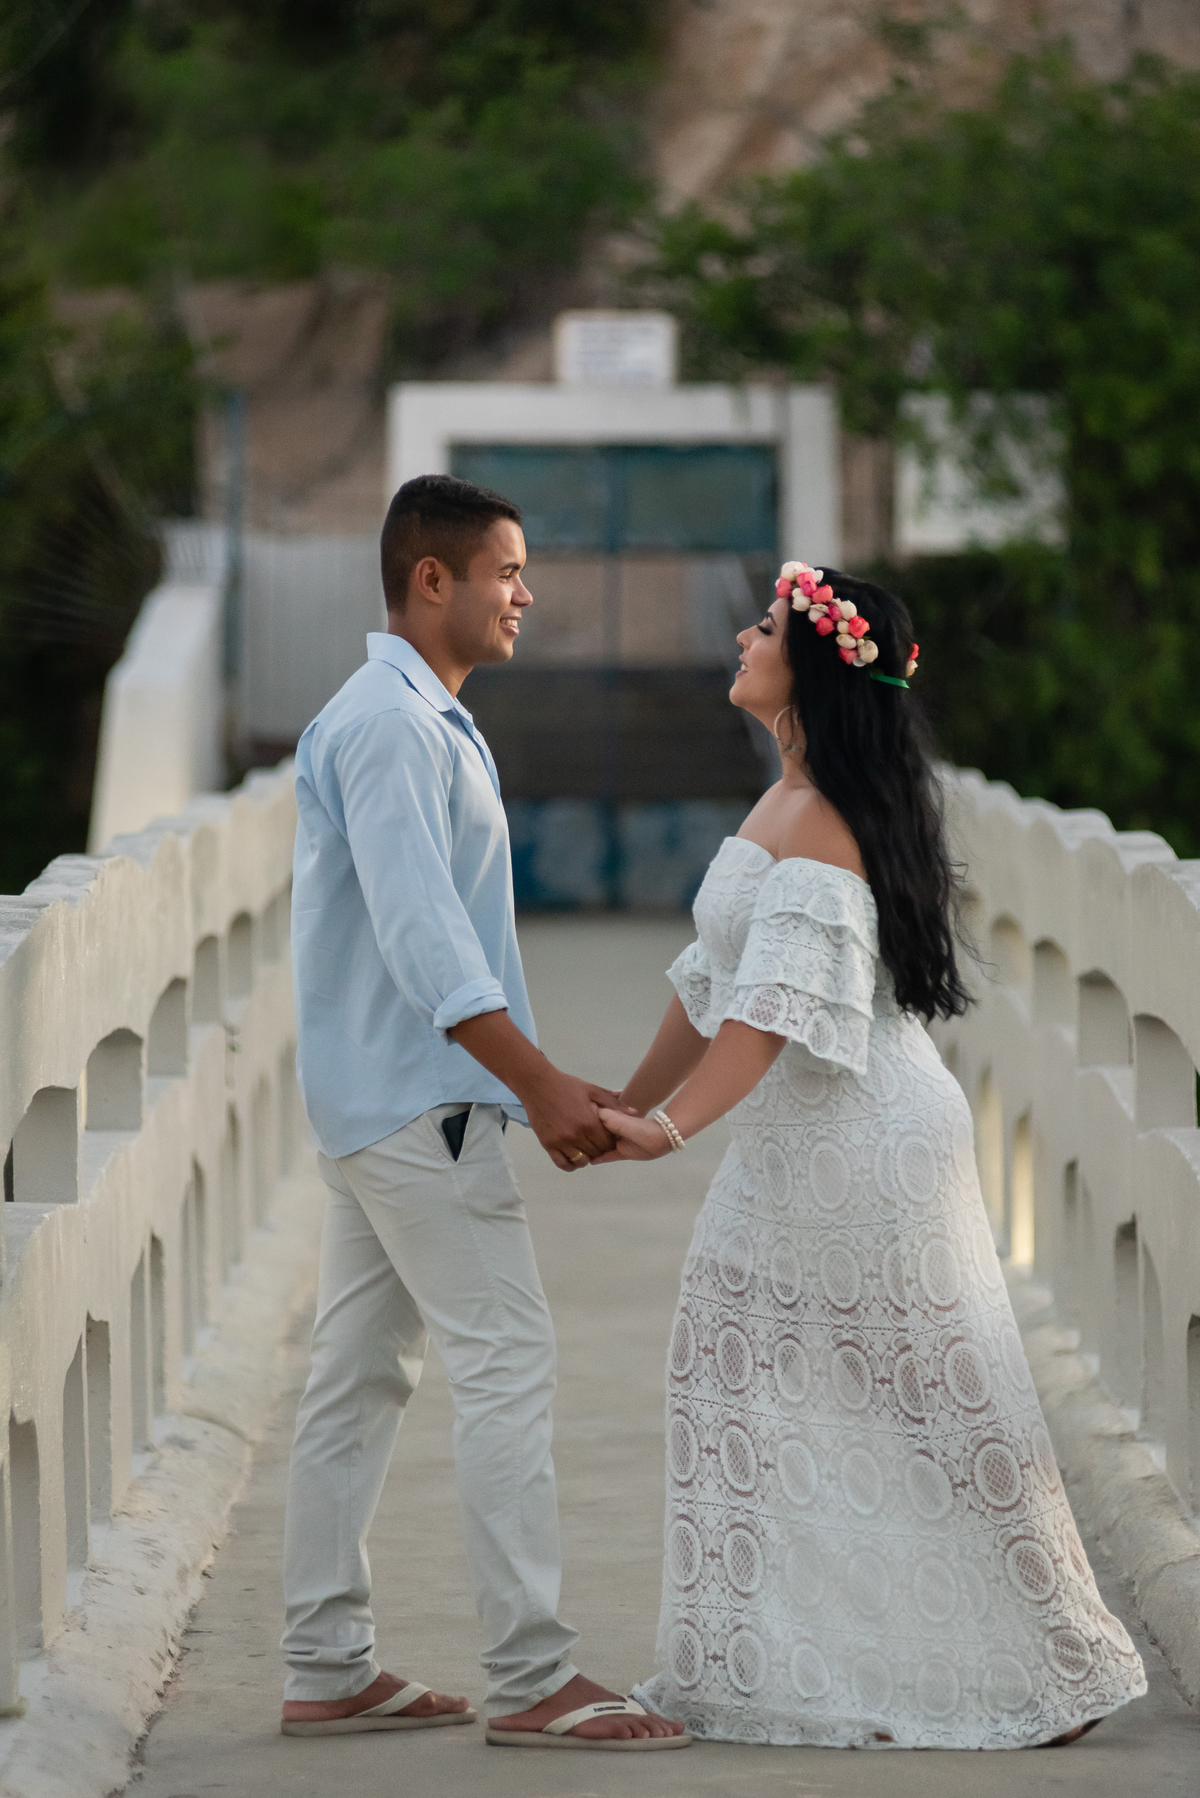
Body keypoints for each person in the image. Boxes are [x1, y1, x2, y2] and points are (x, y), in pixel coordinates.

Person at [595, 562, 1147, 1748]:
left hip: (867, 1138)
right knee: (755, 1371)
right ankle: (777, 1658)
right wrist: (618, 1099)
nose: (744, 637)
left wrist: (671, 1130)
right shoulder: (790, 799)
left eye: (768, 626)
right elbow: (713, 986)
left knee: (932, 1396)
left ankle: (1058, 1662)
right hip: (815, 1136)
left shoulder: (820, 818)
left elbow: (767, 1020)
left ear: (817, 668)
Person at [279, 473, 688, 1751]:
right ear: (430, 577)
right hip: (419, 1107)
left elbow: (430, 932)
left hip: (376, 1102)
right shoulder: (394, 728)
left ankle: (327, 1664)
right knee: (506, 1362)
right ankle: (532, 1673)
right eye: (507, 570)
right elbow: (423, 942)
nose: (526, 594)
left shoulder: (418, 716)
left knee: (356, 1380)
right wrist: (543, 1085)